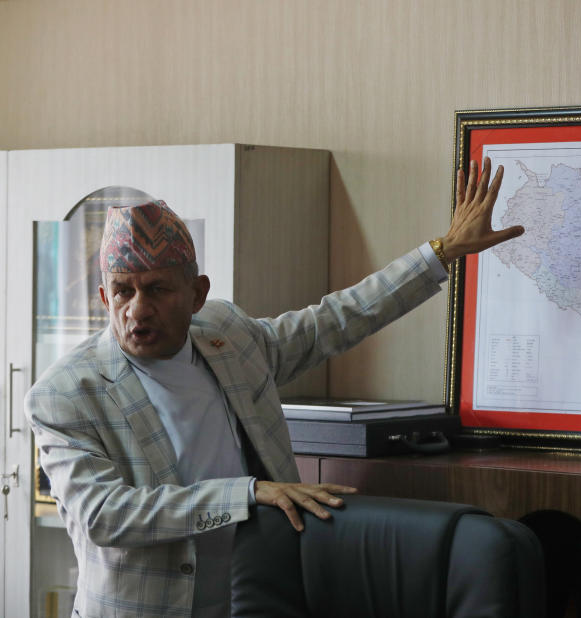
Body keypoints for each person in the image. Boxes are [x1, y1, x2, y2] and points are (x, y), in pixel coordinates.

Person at [25, 158, 523, 618]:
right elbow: (104, 516)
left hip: (261, 601)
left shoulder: (229, 337)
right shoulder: (65, 394)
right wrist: (246, 494)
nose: (136, 309)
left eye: (157, 289)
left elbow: (335, 319)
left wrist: (441, 254)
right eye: (122, 291)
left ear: (197, 294)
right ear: (102, 296)